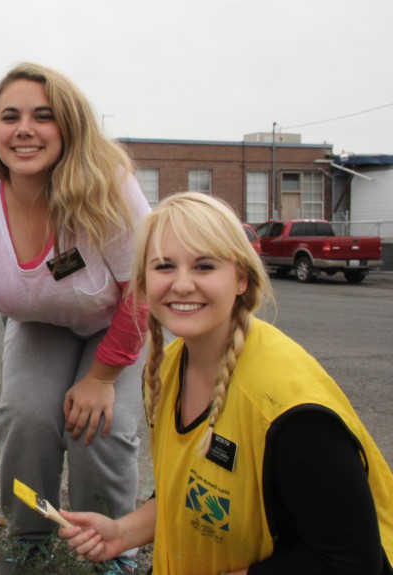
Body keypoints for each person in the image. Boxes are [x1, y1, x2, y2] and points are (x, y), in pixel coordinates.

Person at [60, 192, 393, 574]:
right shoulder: (165, 370)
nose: (182, 285)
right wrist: (122, 532)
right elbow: (193, 492)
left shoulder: (288, 410)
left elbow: (351, 561)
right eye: (164, 267)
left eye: (204, 267)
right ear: (143, 282)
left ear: (241, 279)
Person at [0, 62, 150, 574]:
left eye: (42, 116)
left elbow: (144, 292)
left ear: (68, 126)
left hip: (117, 322)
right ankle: (31, 537)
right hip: (38, 324)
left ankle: (113, 550)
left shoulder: (108, 187)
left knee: (100, 428)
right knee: (24, 418)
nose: (24, 129)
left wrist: (101, 378)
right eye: (10, 117)